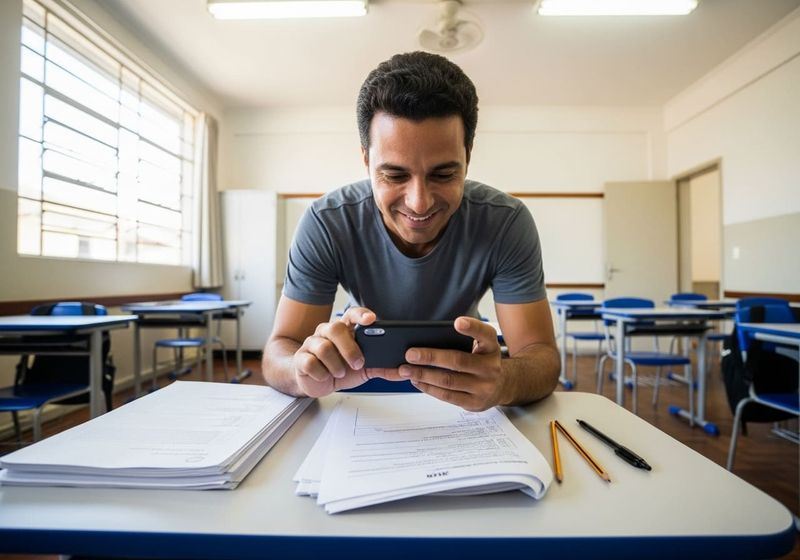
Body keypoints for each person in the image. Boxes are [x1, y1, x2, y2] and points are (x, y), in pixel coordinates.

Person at [262, 51, 559, 412]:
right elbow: (280, 350)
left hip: (468, 399)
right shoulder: (327, 221)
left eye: (444, 174)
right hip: (355, 394)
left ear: (468, 156)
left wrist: (505, 381)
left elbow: (541, 358)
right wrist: (300, 371)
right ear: (366, 161)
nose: (419, 203)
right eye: (395, 175)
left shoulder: (506, 222)